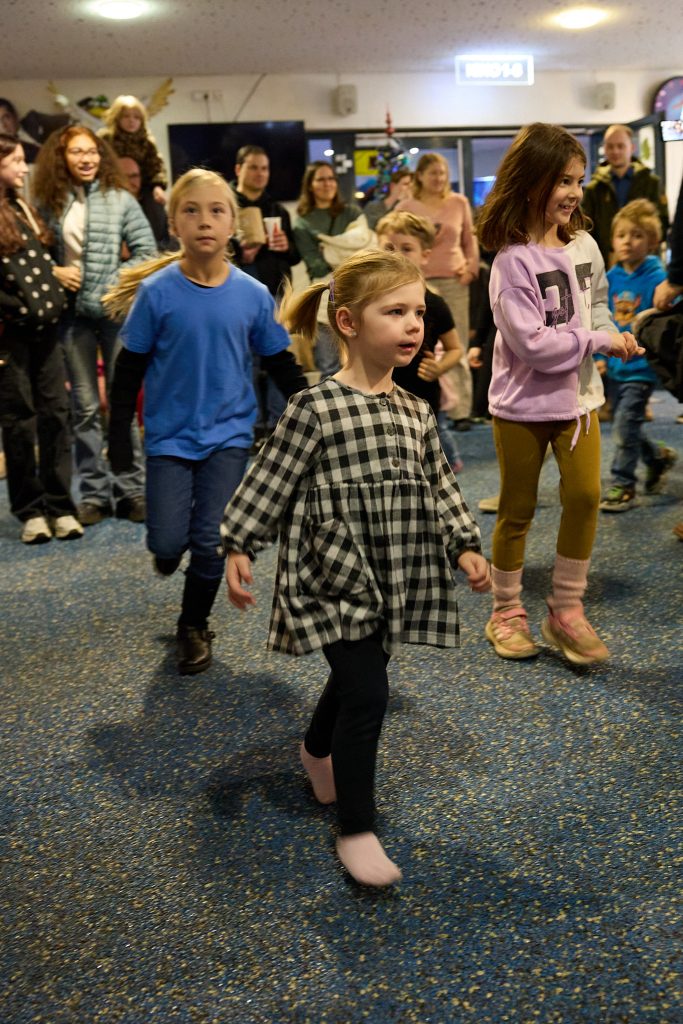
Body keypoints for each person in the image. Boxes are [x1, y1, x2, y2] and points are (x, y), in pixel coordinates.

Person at [220, 248, 490, 887]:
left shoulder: (415, 410)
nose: (414, 324)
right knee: (368, 692)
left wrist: (463, 543)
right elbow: (272, 478)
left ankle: (316, 751)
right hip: (334, 572)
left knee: (357, 679)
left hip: (397, 568)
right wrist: (239, 543)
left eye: (418, 312)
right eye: (394, 312)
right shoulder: (314, 406)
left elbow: (439, 485)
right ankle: (357, 828)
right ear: (347, 322)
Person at [104, 169, 307, 676]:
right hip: (169, 438)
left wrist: (315, 409)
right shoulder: (156, 292)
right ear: (174, 223)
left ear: (233, 224)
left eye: (217, 211)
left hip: (229, 436)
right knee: (166, 543)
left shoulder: (252, 294)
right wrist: (118, 435)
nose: (204, 221)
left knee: (214, 540)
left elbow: (280, 362)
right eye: (191, 210)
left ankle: (193, 625)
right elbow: (128, 370)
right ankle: (169, 549)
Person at [476, 122, 643, 666]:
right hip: (522, 407)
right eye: (562, 181)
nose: (574, 192)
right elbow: (534, 347)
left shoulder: (585, 244)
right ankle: (506, 611)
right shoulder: (511, 261)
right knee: (517, 509)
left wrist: (614, 336)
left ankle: (566, 610)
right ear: (531, 182)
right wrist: (598, 340)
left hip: (580, 402)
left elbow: (596, 307)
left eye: (579, 180)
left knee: (586, 498)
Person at [32, 125, 156, 525]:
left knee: (121, 405)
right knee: (84, 408)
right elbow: (31, 256)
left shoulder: (120, 198)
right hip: (71, 317)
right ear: (61, 157)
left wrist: (111, 283)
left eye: (92, 151)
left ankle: (131, 490)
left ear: (101, 156)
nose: (86, 158)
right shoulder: (47, 200)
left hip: (115, 315)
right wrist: (54, 271)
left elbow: (146, 252)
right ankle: (93, 494)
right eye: (76, 152)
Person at [0, 133, 82, 543]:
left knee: (56, 413)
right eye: (15, 160)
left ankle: (60, 504)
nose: (23, 168)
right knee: (19, 420)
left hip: (46, 330)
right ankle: (30, 509)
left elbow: (36, 266)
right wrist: (15, 308)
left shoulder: (21, 208)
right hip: (8, 336)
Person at [598, 200, 677, 512]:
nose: (627, 242)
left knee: (624, 424)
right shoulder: (611, 276)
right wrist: (599, 354)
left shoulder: (658, 277)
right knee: (627, 423)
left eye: (637, 235)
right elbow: (602, 317)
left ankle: (623, 483)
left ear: (652, 241)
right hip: (616, 365)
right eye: (621, 235)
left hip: (642, 367)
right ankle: (657, 457)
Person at [375, 210, 465, 470]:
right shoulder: (373, 301)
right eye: (389, 248)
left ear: (425, 255)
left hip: (423, 392)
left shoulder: (434, 304)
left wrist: (439, 366)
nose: (396, 256)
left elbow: (455, 349)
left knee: (430, 443)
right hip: (384, 388)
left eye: (406, 249)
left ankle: (449, 464)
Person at [394, 152, 479, 425]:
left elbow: (470, 240)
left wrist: (471, 268)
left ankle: (461, 411)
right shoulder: (406, 205)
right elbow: (392, 237)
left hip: (454, 280)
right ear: (420, 176)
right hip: (417, 283)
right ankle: (425, 404)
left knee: (457, 344)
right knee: (423, 344)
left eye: (442, 173)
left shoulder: (459, 202)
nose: (439, 178)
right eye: (433, 173)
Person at [231, 144, 301, 433]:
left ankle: (277, 423)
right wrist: (239, 253)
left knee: (277, 356)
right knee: (245, 360)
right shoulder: (226, 206)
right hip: (237, 294)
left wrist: (285, 246)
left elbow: (295, 256)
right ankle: (250, 424)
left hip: (274, 293)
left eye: (264, 168)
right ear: (238, 169)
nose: (260, 173)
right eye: (253, 167)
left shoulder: (277, 210)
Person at [293, 161, 363, 376]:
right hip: (326, 298)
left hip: (358, 293)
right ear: (310, 185)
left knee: (361, 362)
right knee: (330, 366)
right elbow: (317, 265)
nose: (327, 184)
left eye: (331, 178)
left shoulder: (351, 212)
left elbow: (365, 249)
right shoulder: (303, 223)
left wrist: (329, 249)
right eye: (321, 179)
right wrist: (346, 251)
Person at [581, 124, 669, 268]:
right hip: (606, 264)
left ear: (632, 148)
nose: (615, 151)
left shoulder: (651, 183)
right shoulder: (594, 189)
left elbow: (662, 225)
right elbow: (586, 229)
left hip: (645, 265)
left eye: (620, 146)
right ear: (605, 149)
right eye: (610, 146)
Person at [98, 95, 167, 207]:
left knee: (156, 208)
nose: (131, 121)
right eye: (126, 116)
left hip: (142, 188)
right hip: (112, 186)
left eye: (137, 117)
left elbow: (156, 167)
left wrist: (157, 186)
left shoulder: (146, 141)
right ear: (117, 118)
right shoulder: (106, 139)